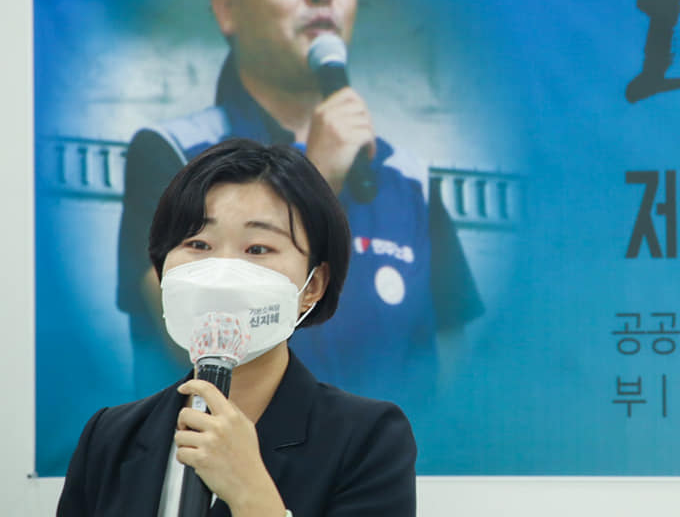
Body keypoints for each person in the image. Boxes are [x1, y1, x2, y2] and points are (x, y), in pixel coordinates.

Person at [116, 0, 483, 400]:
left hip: (374, 452)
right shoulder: (172, 153)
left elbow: (451, 367)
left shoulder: (411, 180)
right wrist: (316, 181)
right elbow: (180, 332)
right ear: (228, 8)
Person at [59, 139, 417, 516]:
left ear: (313, 285)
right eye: (198, 243)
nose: (221, 274)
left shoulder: (368, 438)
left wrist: (250, 492)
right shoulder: (110, 437)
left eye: (258, 249)